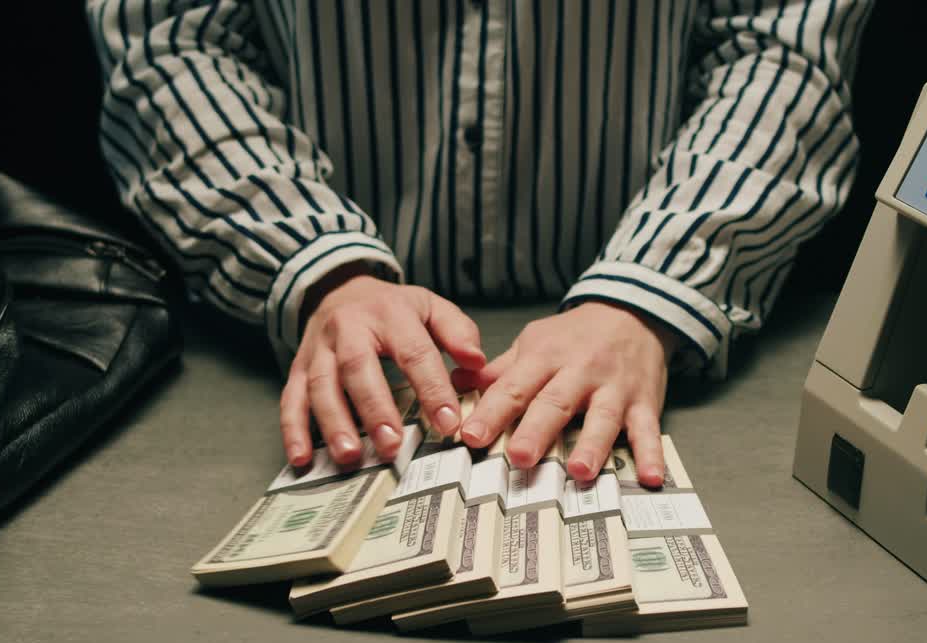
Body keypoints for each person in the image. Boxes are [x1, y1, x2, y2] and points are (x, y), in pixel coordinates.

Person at [87, 0, 869, 488]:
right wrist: (319, 262)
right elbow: (171, 46)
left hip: (649, 318)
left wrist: (651, 289)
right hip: (272, 331)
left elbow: (782, 52)